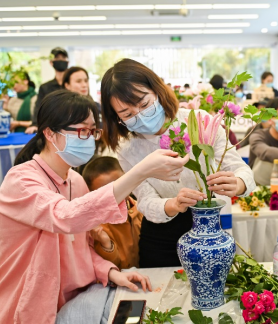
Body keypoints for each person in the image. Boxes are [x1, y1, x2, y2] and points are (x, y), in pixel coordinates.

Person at [0, 90, 188, 323]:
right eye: (82, 131)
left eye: (93, 131)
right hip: (29, 306)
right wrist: (138, 173)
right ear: (50, 133)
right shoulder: (20, 181)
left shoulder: (75, 180)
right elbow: (65, 217)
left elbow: (81, 247)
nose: (90, 138)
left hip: (75, 301)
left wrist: (110, 272)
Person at [100, 58, 256, 268]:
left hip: (209, 228)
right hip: (161, 238)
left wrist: (238, 183)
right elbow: (145, 201)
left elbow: (240, 169)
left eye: (144, 104)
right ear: (116, 118)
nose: (141, 116)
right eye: (127, 114)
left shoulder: (198, 120)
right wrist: (173, 204)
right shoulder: (128, 149)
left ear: (157, 91)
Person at [83, 156, 143, 269]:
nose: (115, 197)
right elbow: (109, 268)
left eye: (119, 187)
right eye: (105, 193)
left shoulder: (142, 209)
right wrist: (106, 245)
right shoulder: (97, 227)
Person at [26, 47, 69, 134]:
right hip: (52, 129)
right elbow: (39, 108)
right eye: (57, 58)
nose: (60, 60)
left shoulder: (73, 86)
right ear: (51, 62)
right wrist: (35, 124)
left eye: (63, 58)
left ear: (68, 62)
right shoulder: (45, 88)